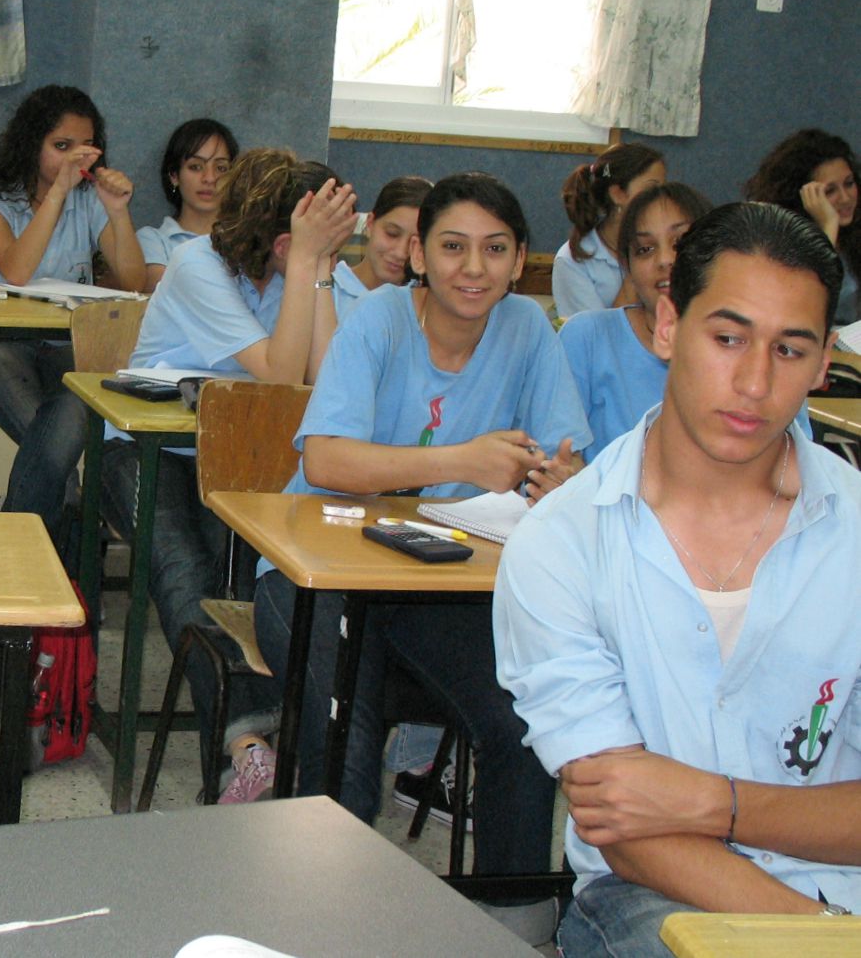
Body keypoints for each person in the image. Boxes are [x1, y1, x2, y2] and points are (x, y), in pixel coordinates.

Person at [495, 202, 861, 956]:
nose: (754, 382)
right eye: (726, 338)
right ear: (666, 326)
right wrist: (825, 939)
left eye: (789, 351)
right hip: (652, 893)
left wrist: (710, 800)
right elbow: (626, 831)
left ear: (826, 360)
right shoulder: (560, 546)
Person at [253, 172, 591, 944]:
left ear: (518, 262)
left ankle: (514, 923)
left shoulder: (529, 331)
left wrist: (559, 475)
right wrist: (466, 458)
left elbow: (565, 450)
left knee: (519, 725)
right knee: (346, 746)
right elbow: (330, 458)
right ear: (419, 254)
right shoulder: (377, 321)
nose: (473, 268)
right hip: (318, 567)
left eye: (495, 250)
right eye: (452, 247)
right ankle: (315, 924)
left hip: (438, 580)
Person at [101, 148, 355, 801]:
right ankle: (246, 748)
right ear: (274, 235)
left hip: (239, 463)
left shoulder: (306, 269)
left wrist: (319, 270)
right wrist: (303, 263)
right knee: (186, 571)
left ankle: (265, 742)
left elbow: (323, 384)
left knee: (253, 581)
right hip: (144, 451)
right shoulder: (197, 266)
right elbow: (277, 372)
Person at [0, 84, 144, 545]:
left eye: (82, 151)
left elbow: (135, 278)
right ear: (30, 144)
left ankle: (16, 567)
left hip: (67, 347)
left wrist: (117, 213)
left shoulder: (90, 202)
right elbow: (17, 270)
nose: (73, 162)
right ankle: (62, 536)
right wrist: (58, 191)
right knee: (58, 456)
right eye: (61, 148)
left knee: (69, 419)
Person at [559, 183, 714, 453]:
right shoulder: (587, 337)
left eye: (680, 243)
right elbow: (558, 451)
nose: (665, 260)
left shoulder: (751, 345)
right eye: (644, 249)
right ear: (627, 267)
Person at [744, 129, 860, 325]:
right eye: (830, 190)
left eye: (849, 184)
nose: (845, 198)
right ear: (803, 197)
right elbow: (802, 304)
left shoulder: (854, 235)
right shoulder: (777, 246)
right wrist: (827, 226)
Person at [553, 143, 666, 319]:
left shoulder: (668, 249)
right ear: (618, 194)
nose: (661, 200)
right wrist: (636, 271)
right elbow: (595, 339)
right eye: (651, 190)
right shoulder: (571, 261)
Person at [137, 118, 236, 290]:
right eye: (196, 167)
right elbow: (173, 294)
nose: (210, 178)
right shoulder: (154, 241)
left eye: (221, 168)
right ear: (174, 176)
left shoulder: (246, 241)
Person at [332, 175, 429, 320]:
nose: (400, 253)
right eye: (392, 234)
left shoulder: (426, 302)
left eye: (415, 243)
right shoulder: (327, 287)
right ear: (370, 223)